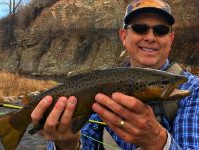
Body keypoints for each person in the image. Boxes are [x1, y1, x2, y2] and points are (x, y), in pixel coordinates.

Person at [31, 0, 199, 149]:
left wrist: (158, 142)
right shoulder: (103, 84)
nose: (150, 37)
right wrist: (66, 145)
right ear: (124, 36)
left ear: (170, 39)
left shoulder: (194, 90)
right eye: (140, 28)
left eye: (160, 30)